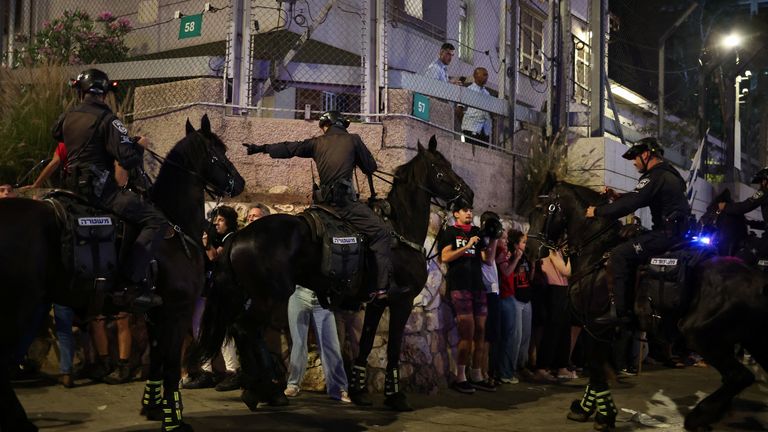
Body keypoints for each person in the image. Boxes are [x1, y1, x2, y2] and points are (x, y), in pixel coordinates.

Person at [243, 111, 404, 300]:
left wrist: (260, 148)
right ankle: (381, 288)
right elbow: (370, 168)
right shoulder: (353, 140)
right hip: (345, 205)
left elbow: (289, 148)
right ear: (341, 124)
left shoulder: (316, 143)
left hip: (321, 205)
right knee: (381, 233)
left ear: (327, 125)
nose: (323, 130)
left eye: (323, 127)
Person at [52, 68, 165, 309]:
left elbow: (56, 132)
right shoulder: (109, 119)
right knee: (155, 220)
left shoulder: (68, 116)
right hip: (100, 193)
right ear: (105, 93)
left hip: (68, 191)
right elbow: (129, 159)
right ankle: (130, 283)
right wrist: (137, 146)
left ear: (81, 91)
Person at [586, 137, 690, 323]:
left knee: (618, 254)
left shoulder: (655, 176)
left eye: (635, 157)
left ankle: (620, 313)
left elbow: (633, 203)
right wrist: (618, 197)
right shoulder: (669, 175)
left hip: (664, 236)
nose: (634, 162)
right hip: (677, 235)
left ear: (646, 154)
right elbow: (639, 197)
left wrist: (597, 211)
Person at [438, 201, 491, 393]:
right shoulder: (451, 233)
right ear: (456, 214)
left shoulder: (477, 230)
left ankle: (476, 374)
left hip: (478, 286)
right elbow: (445, 257)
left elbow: (488, 259)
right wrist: (467, 245)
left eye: (470, 210)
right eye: (465, 211)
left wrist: (491, 240)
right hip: (460, 287)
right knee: (467, 332)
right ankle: (460, 376)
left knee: (481, 332)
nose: (469, 213)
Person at [284, 285, 351, 403]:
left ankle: (338, 388)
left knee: (330, 345)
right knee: (298, 343)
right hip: (299, 294)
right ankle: (293, 384)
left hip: (323, 297)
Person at [718, 167, 768, 256]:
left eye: (761, 182)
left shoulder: (764, 192)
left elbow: (745, 206)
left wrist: (725, 206)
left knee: (741, 258)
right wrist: (750, 223)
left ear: (765, 181)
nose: (760, 185)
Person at [460, 68, 493, 147]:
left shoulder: (486, 93)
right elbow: (459, 109)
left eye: (487, 75)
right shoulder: (469, 90)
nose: (486, 77)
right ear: (475, 76)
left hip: (484, 131)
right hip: (471, 129)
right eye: (484, 75)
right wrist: (467, 124)